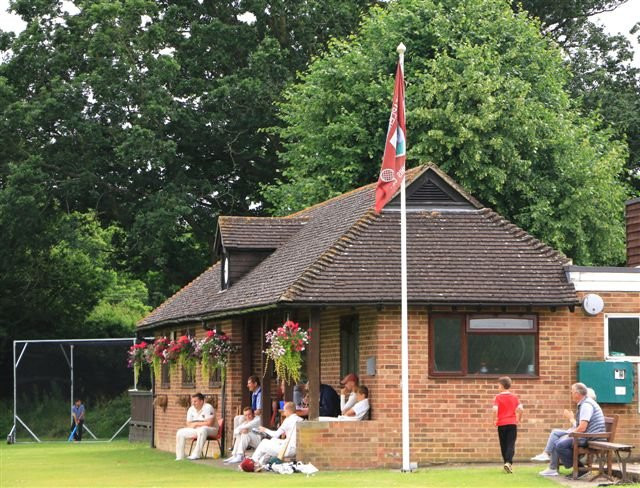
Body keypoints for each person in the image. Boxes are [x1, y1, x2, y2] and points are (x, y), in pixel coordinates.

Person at [539, 383, 605, 478]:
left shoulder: (586, 405)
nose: (571, 394)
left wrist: (570, 435)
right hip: (589, 435)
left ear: (577, 394)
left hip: (591, 438)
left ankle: (580, 469)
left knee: (560, 445)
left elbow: (582, 427)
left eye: (572, 392)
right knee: (558, 440)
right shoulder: (585, 403)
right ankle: (557, 466)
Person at [531, 388, 597, 463]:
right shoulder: (585, 406)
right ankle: (547, 458)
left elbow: (582, 427)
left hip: (582, 435)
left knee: (557, 439)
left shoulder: (587, 406)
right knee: (555, 433)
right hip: (579, 433)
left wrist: (571, 419)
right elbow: (581, 425)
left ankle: (552, 465)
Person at [251, 401, 302, 466]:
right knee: (273, 441)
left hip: (288, 450)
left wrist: (264, 429)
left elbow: (276, 435)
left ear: (288, 410)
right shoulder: (300, 419)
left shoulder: (288, 420)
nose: (284, 412)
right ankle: (261, 463)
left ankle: (252, 461)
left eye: (284, 410)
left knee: (264, 442)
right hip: (295, 449)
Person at [492, 376, 524, 474]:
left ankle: (506, 462)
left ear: (501, 386)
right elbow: (521, 409)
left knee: (503, 444)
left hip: (501, 424)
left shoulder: (498, 397)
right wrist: (519, 418)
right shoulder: (514, 397)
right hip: (512, 423)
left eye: (498, 385)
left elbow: (494, 409)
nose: (498, 387)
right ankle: (508, 463)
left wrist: (494, 420)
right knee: (511, 444)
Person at [175, 392, 217, 460]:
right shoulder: (191, 409)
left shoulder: (208, 407)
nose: (193, 403)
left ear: (201, 401)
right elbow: (188, 424)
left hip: (211, 429)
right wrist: (194, 425)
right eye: (192, 401)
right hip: (196, 429)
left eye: (195, 401)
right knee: (180, 432)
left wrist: (196, 424)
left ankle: (196, 454)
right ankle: (180, 457)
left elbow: (210, 423)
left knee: (202, 430)